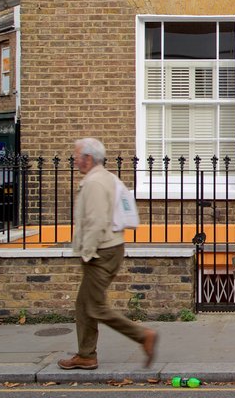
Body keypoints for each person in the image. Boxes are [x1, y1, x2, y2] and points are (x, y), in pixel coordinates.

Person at [58, 138, 158, 370]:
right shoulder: (107, 177)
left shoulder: (94, 182)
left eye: (77, 155)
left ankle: (143, 336)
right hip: (110, 248)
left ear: (88, 158)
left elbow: (96, 221)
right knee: (84, 305)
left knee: (95, 307)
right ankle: (86, 354)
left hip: (101, 251)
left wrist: (87, 253)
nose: (74, 160)